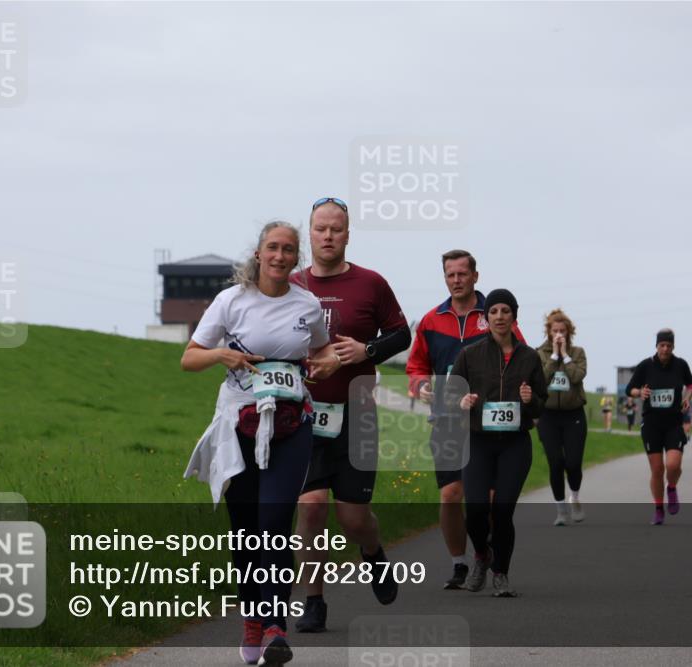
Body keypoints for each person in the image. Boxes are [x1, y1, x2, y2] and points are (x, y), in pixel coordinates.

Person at [182, 221, 339, 666]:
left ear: (296, 257)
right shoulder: (230, 301)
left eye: (289, 249)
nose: (280, 256)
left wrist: (325, 367)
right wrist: (221, 354)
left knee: (274, 521)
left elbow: (323, 353)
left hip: (292, 424)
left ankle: (274, 628)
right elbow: (189, 357)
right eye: (272, 247)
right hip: (238, 425)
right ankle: (252, 618)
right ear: (259, 253)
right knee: (246, 530)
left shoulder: (307, 304)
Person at [292, 197, 411, 633]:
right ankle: (314, 602)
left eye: (336, 229)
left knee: (353, 517)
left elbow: (402, 333)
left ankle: (374, 553)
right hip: (304, 415)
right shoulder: (290, 285)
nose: (327, 236)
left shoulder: (371, 283)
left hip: (357, 413)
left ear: (347, 234)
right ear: (310, 232)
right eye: (320, 228)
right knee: (310, 507)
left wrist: (368, 350)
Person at [406, 249, 526, 589]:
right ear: (444, 278)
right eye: (450, 275)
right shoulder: (431, 320)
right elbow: (415, 366)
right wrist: (420, 385)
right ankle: (461, 562)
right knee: (450, 494)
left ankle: (483, 554)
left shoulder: (495, 315)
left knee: (486, 500)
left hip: (486, 422)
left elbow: (521, 358)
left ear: (475, 276)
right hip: (445, 419)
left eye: (462, 274)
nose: (456, 280)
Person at [449, 289, 546, 597]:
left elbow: (542, 405)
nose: (500, 316)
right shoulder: (470, 354)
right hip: (478, 441)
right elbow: (452, 394)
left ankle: (501, 573)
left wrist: (531, 401)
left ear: (514, 316)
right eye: (494, 311)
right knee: (476, 510)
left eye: (506, 311)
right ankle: (481, 555)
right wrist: (462, 401)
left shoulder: (529, 357)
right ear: (485, 317)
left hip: (515, 444)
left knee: (502, 510)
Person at [624, 328, 692, 525]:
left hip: (673, 423)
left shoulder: (680, 365)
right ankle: (658, 508)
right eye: (662, 345)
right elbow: (629, 389)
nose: (665, 349)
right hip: (651, 424)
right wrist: (640, 393)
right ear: (656, 346)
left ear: (673, 347)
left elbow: (691, 385)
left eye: (669, 346)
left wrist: (687, 398)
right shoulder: (646, 366)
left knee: (673, 465)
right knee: (657, 470)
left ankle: (671, 488)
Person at [535, 308, 588, 526]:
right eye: (555, 331)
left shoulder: (578, 353)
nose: (559, 335)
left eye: (562, 331)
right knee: (555, 462)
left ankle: (574, 497)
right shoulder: (540, 354)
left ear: (569, 333)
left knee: (573, 463)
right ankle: (560, 510)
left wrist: (565, 355)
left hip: (573, 415)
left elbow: (577, 377)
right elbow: (541, 379)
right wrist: (554, 355)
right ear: (549, 332)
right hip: (548, 416)